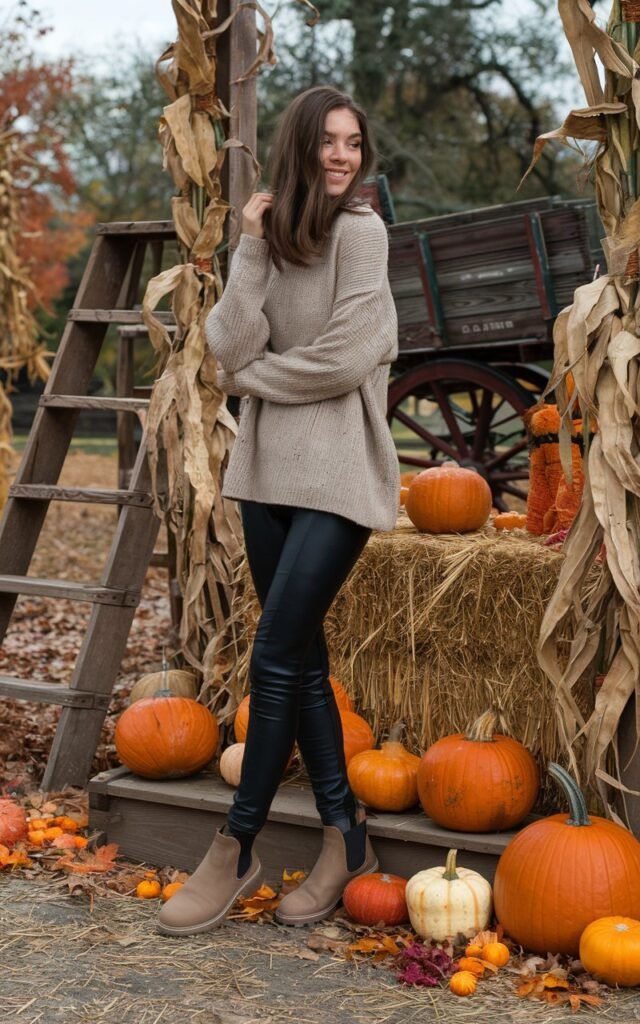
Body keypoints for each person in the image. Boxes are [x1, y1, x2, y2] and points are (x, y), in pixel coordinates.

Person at [157, 85, 400, 937]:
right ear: (302, 148)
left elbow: (343, 359)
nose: (343, 156)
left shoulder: (363, 235)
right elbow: (225, 340)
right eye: (329, 142)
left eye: (354, 144)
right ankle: (346, 841)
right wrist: (250, 253)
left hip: (337, 473)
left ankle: (235, 843)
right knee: (297, 660)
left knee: (271, 653)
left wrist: (252, 378)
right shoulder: (266, 241)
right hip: (263, 475)